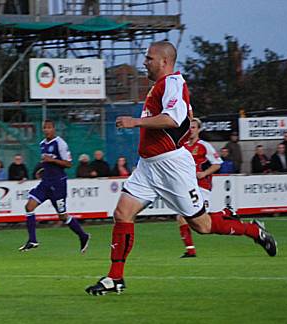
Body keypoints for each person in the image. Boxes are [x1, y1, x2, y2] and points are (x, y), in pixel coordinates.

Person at [85, 41, 276, 296]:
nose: (144, 62)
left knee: (203, 226)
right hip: (148, 166)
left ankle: (252, 230)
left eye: (149, 58)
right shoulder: (161, 86)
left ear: (164, 61)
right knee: (122, 214)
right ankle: (115, 278)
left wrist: (135, 122)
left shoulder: (173, 83)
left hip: (171, 166)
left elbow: (173, 119)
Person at [19, 119, 90, 252]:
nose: (46, 130)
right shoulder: (42, 144)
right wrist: (41, 170)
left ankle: (83, 235)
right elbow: (45, 162)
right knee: (29, 206)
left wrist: (52, 160)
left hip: (58, 185)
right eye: (44, 128)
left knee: (62, 216)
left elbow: (68, 163)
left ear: (54, 129)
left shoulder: (60, 143)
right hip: (46, 183)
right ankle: (32, 240)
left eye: (49, 127)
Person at [175, 118, 223, 258]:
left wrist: (204, 174)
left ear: (199, 129)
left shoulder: (204, 146)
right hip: (187, 186)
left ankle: (227, 215)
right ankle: (190, 250)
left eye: (194, 127)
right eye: (189, 127)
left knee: (204, 223)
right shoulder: (182, 146)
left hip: (202, 186)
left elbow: (217, 163)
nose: (191, 130)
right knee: (181, 217)